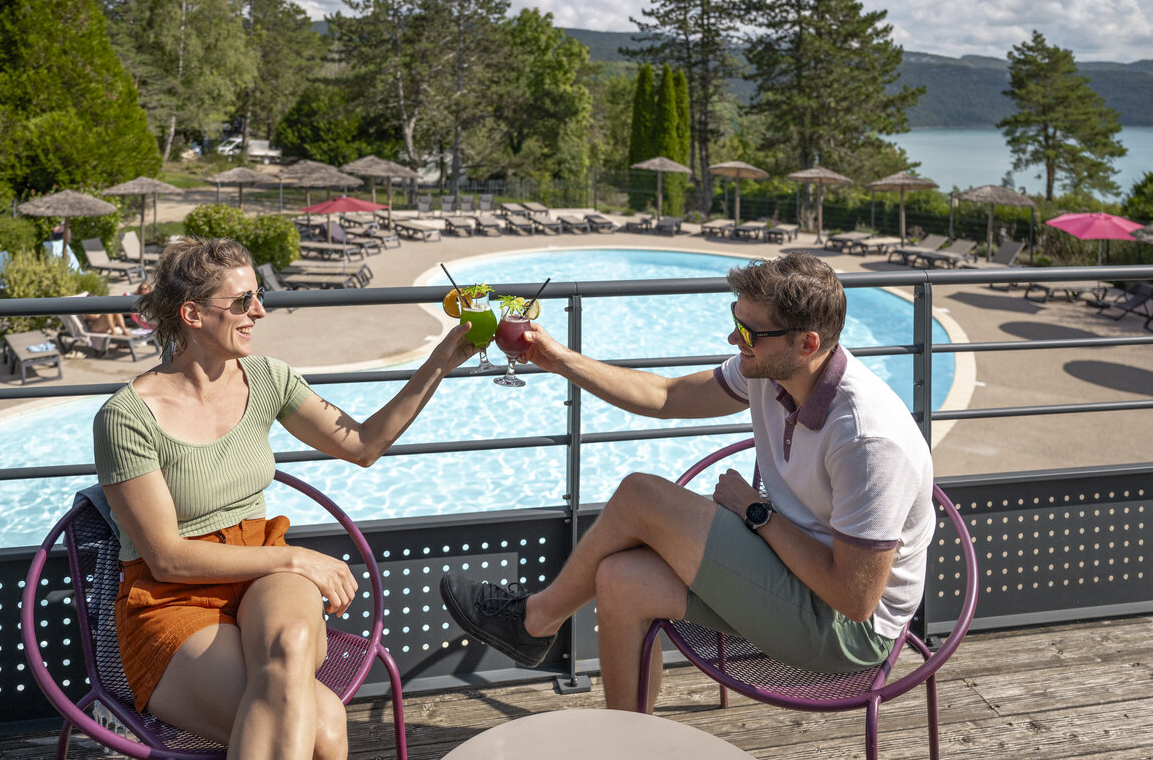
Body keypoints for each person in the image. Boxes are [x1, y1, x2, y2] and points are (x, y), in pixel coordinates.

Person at [440, 252, 935, 711]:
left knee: (641, 495)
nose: (734, 341)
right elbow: (667, 395)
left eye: (749, 333)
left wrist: (757, 513)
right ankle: (628, 742)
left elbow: (854, 598)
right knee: (619, 579)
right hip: (792, 576)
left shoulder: (867, 439)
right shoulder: (771, 372)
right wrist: (557, 359)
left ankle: (534, 621)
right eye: (736, 322)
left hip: (849, 632)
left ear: (806, 344)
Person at [94, 237, 476, 759]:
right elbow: (167, 559)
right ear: (192, 314)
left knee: (292, 642)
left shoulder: (269, 378)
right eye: (242, 301)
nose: (259, 311)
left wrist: (440, 362)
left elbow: (362, 445)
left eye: (258, 296)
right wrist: (296, 559)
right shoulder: (126, 417)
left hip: (261, 573)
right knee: (323, 728)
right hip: (174, 598)